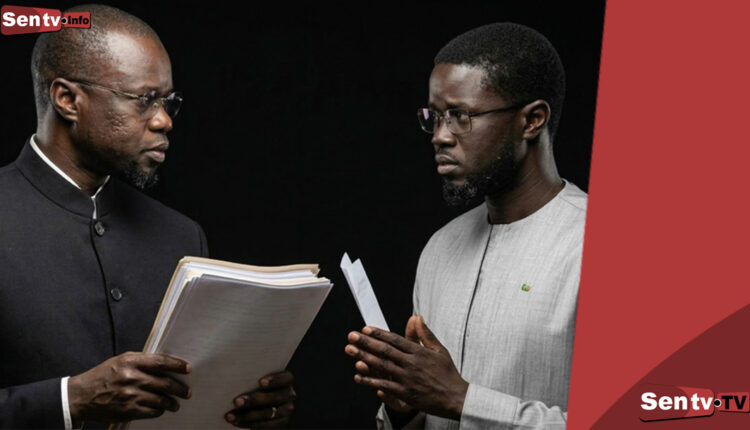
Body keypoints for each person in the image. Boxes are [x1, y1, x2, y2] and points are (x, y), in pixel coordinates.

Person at [0, 5, 294, 429]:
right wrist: (70, 400)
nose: (163, 121)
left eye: (168, 102)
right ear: (67, 100)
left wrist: (248, 404)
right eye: (145, 100)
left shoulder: (182, 236)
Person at [345, 23, 587, 429]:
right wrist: (405, 407)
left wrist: (462, 400)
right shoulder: (441, 248)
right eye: (435, 117)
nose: (439, 136)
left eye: (459, 116)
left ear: (532, 120)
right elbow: (431, 413)